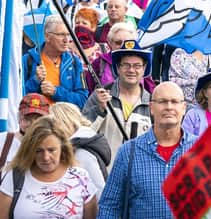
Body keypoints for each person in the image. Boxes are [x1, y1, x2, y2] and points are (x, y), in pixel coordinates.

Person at [99, 82, 196, 219]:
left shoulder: (203, 149)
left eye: (174, 102)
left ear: (184, 108)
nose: (169, 107)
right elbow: (110, 206)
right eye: (162, 102)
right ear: (151, 107)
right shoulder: (128, 152)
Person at [0, 116, 98, 218]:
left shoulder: (80, 178)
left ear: (63, 147)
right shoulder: (15, 176)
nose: (46, 157)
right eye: (38, 151)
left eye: (51, 150)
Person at [0, 93, 51, 218]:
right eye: (27, 119)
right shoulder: (2, 141)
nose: (32, 125)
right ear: (19, 118)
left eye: (38, 119)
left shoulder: (51, 148)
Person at [82, 40, 152, 168]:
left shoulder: (152, 103)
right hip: (104, 176)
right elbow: (83, 133)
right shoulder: (100, 96)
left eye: (137, 66)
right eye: (126, 65)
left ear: (144, 68)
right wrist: (99, 110)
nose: (131, 70)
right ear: (118, 68)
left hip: (137, 179)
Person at [23, 15, 88, 109]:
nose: (66, 40)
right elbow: (17, 96)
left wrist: (56, 92)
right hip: (37, 121)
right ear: (47, 36)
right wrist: (35, 80)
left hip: (65, 120)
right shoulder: (27, 60)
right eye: (61, 35)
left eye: (68, 34)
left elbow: (83, 100)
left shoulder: (75, 62)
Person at [49, 102, 111, 200]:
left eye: (52, 126)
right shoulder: (78, 146)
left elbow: (99, 194)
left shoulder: (81, 153)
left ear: (64, 123)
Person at [85, 22, 137, 93]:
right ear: (110, 42)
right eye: (118, 43)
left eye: (128, 43)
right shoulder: (98, 63)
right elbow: (88, 91)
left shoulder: (141, 62)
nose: (123, 46)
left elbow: (150, 91)